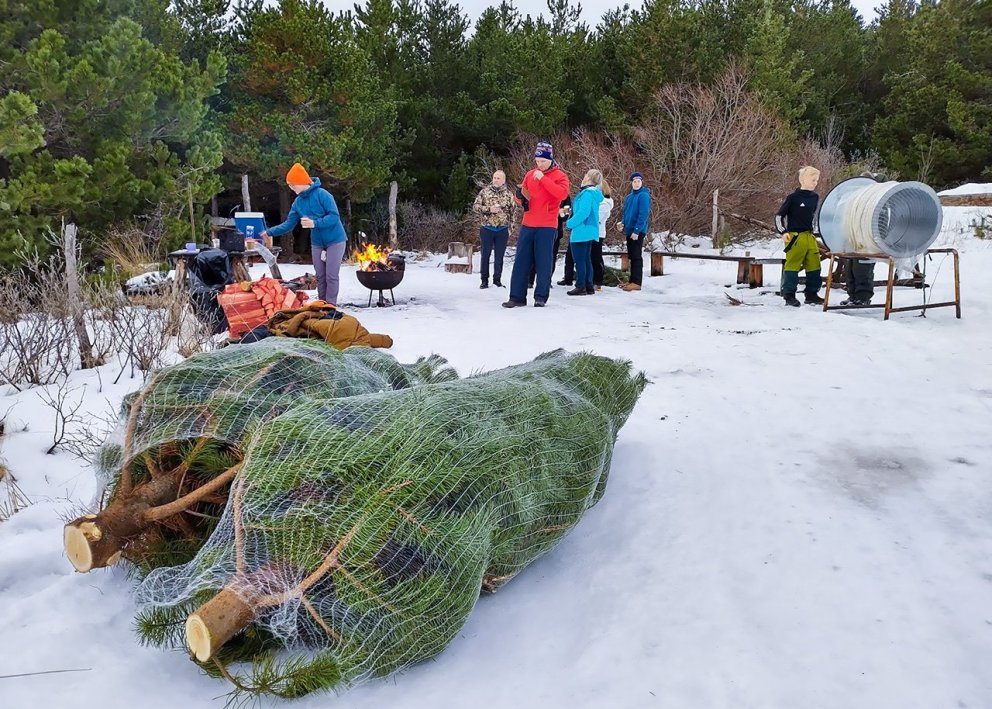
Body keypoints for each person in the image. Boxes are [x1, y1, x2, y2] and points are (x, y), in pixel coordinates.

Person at [262, 163, 347, 304]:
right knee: (320, 276)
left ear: (301, 182)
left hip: (335, 239)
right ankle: (322, 304)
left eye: (292, 184)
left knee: (331, 275)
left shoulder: (323, 195)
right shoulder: (297, 203)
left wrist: (315, 223)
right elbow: (289, 224)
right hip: (317, 243)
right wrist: (269, 232)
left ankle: (330, 307)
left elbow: (334, 217)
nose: (291, 187)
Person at [503, 142, 570, 308]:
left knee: (544, 261)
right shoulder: (530, 174)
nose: (539, 164)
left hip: (547, 225)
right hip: (528, 222)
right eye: (537, 161)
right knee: (521, 261)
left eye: (543, 161)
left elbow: (561, 194)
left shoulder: (560, 176)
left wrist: (544, 179)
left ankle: (541, 296)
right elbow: (521, 196)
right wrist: (519, 197)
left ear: (550, 160)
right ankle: (516, 297)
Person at [775, 166, 823, 307]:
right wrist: (783, 232)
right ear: (803, 179)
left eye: (817, 180)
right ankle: (789, 295)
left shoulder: (815, 197)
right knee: (793, 266)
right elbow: (779, 216)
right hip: (795, 237)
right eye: (813, 180)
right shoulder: (793, 198)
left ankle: (812, 294)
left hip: (810, 236)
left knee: (815, 266)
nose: (815, 183)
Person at [471, 170, 515, 289]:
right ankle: (484, 280)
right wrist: (489, 209)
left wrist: (511, 228)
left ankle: (497, 280)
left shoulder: (508, 194)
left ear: (503, 180)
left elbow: (513, 212)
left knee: (499, 256)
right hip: (487, 228)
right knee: (485, 255)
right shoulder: (484, 192)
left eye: (498, 178)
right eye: (495, 177)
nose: (496, 180)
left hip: (502, 229)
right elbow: (475, 207)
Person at [565, 170, 605, 295]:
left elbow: (583, 212)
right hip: (591, 230)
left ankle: (580, 285)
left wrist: (569, 223)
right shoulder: (594, 194)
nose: (583, 177)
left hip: (582, 229)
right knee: (586, 259)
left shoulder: (587, 194)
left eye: (586, 175)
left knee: (580, 260)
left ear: (589, 179)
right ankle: (588, 285)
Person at [615, 172, 651, 292]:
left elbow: (643, 214)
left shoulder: (643, 196)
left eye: (638, 181)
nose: (636, 184)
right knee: (631, 255)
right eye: (634, 182)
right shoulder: (629, 197)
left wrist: (637, 230)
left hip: (638, 231)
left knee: (636, 256)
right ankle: (631, 280)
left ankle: (636, 282)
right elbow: (626, 213)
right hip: (629, 230)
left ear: (641, 182)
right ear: (631, 183)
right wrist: (623, 222)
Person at [595, 179, 614, 290]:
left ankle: (598, 281)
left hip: (598, 233)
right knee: (592, 256)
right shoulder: (598, 201)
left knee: (596, 257)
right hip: (592, 232)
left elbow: (598, 218)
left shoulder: (605, 203)